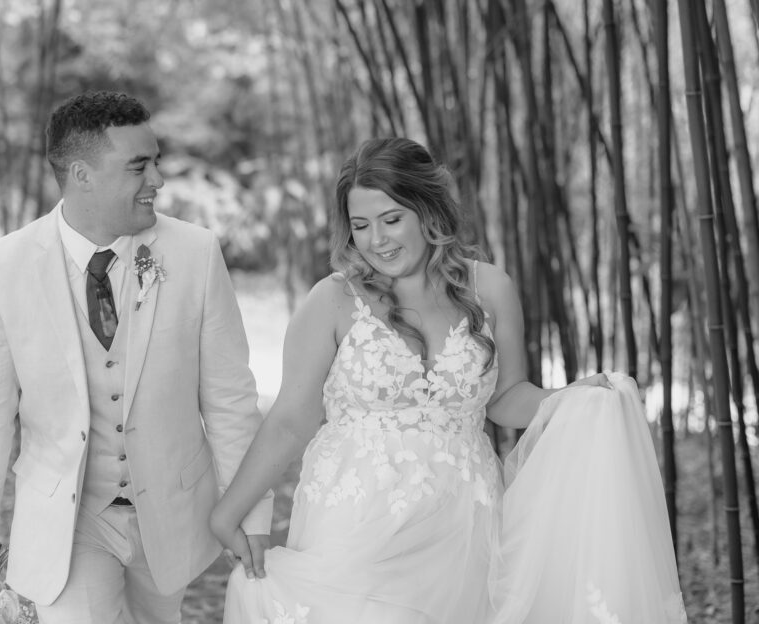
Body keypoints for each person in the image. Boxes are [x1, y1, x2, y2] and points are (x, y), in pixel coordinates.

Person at [210, 137, 686, 623]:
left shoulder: (491, 288)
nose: (377, 240)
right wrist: (229, 512)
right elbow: (291, 420)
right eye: (360, 225)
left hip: (463, 516)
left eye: (392, 219)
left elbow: (506, 399)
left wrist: (569, 399)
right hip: (358, 512)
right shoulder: (331, 300)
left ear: (429, 211)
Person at [0, 91, 273, 624]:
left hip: (170, 514)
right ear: (82, 175)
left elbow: (230, 401)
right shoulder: (2, 267)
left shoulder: (195, 254)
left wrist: (252, 514)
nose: (158, 181)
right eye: (138, 166)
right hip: (68, 523)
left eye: (157, 162)